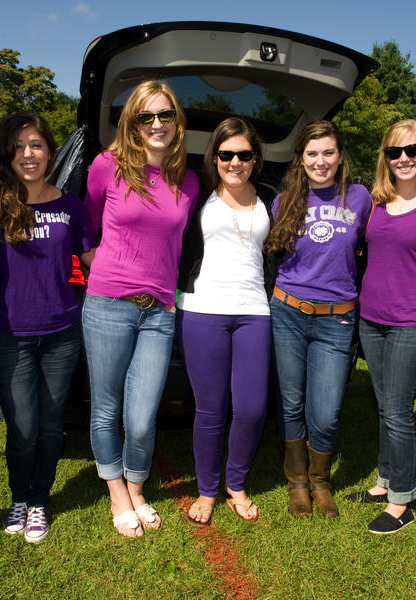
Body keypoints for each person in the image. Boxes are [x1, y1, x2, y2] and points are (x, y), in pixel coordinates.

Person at [82, 80, 198, 537]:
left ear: (177, 121)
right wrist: (99, 266)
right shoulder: (106, 166)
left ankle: (137, 483)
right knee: (107, 408)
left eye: (164, 115)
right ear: (131, 122)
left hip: (159, 312)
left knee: (143, 414)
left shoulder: (186, 179)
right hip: (108, 305)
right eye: (144, 116)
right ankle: (119, 494)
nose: (156, 124)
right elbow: (86, 224)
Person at [0, 112, 96, 544]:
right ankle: (19, 495)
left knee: (50, 426)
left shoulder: (70, 205)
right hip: (7, 334)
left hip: (62, 332)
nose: (28, 154)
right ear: (8, 153)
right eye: (19, 146)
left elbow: (93, 261)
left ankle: (39, 501)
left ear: (51, 151)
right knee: (23, 427)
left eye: (37, 145)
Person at [344, 119, 416, 534]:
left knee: (398, 410)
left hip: (414, 319)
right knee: (383, 404)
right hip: (372, 318)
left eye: (412, 149)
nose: (403, 158)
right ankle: (385, 480)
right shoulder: (375, 203)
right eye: (394, 151)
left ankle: (402, 500)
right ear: (384, 158)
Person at [265, 120, 372, 518]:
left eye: (328, 152)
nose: (320, 161)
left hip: (337, 320)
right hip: (288, 312)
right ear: (301, 158)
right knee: (291, 403)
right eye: (312, 154)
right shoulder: (286, 199)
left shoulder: (360, 198)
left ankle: (321, 481)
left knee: (325, 411)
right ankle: (297, 483)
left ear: (340, 155)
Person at [177, 118, 272, 526]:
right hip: (203, 309)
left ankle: (236, 483)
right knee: (210, 408)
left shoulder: (271, 197)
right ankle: (206, 489)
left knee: (251, 408)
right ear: (214, 157)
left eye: (244, 155)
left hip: (255, 311)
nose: (235, 162)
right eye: (226, 154)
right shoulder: (196, 194)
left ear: (255, 159)